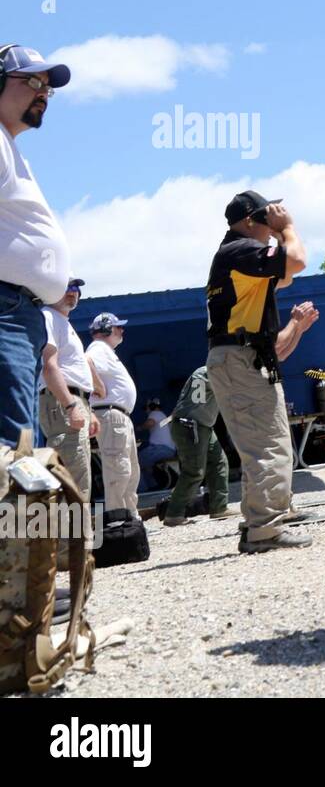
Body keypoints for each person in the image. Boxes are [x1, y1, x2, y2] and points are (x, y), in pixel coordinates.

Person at [204, 191, 315, 553]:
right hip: (239, 359)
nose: (272, 225)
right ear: (250, 221)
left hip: (243, 358)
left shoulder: (237, 256)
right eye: (267, 218)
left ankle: (262, 520)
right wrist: (289, 228)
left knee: (267, 445)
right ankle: (264, 530)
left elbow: (285, 277)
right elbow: (296, 260)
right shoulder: (238, 250)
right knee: (267, 447)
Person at [0, 43, 72, 448]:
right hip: (5, 310)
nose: (43, 92)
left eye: (47, 87)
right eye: (31, 81)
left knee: (19, 443)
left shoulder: (9, 146)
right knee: (12, 444)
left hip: (17, 311)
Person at [37, 277, 101, 498]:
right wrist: (71, 405)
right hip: (62, 402)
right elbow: (50, 367)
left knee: (79, 474)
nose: (72, 292)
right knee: (72, 479)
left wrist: (87, 410)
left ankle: (78, 532)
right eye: (66, 287)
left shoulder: (63, 321)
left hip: (73, 401)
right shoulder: (48, 316)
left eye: (75, 288)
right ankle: (74, 533)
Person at [160, 366, 237, 527]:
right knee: (194, 471)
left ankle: (219, 507)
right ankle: (174, 513)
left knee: (219, 462)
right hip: (191, 425)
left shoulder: (207, 372)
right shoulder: (207, 373)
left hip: (202, 425)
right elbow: (198, 401)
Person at [85, 312, 141, 515]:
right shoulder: (99, 347)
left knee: (129, 471)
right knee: (119, 470)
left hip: (118, 416)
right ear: (106, 329)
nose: (121, 330)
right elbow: (86, 362)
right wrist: (98, 386)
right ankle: (118, 519)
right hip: (111, 415)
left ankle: (129, 518)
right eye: (118, 327)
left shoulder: (106, 350)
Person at [136, 398, 177, 480]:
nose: (146, 411)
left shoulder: (155, 413)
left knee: (135, 462)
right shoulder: (163, 416)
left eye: (146, 408)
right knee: (146, 465)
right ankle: (152, 485)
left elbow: (150, 423)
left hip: (159, 449)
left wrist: (139, 428)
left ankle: (142, 490)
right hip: (170, 450)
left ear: (151, 407)